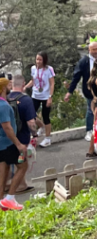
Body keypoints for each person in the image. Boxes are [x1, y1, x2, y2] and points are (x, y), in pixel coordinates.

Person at [64, 40, 97, 142]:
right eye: (93, 50)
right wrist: (70, 91)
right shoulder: (83, 62)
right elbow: (76, 77)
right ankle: (90, 130)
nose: (95, 52)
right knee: (91, 110)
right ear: (89, 50)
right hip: (90, 91)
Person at [5, 75, 37, 199]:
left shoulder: (5, 98)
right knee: (21, 163)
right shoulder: (26, 100)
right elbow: (31, 123)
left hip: (7, 138)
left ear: (12, 85)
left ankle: (9, 184)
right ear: (23, 84)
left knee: (8, 162)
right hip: (21, 140)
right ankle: (19, 186)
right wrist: (34, 134)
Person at [0, 78, 26, 211]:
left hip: (1, 145)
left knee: (3, 172)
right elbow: (7, 127)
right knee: (23, 166)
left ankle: (1, 202)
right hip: (8, 143)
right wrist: (18, 144)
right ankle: (10, 198)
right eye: (8, 85)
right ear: (4, 88)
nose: (10, 87)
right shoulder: (3, 106)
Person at [30, 52, 55, 146]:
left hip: (45, 96)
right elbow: (33, 81)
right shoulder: (33, 68)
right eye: (37, 59)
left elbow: (52, 83)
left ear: (44, 60)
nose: (38, 61)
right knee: (31, 115)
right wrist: (24, 87)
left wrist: (50, 97)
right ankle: (41, 126)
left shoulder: (49, 69)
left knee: (46, 116)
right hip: (35, 95)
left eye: (40, 60)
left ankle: (47, 139)